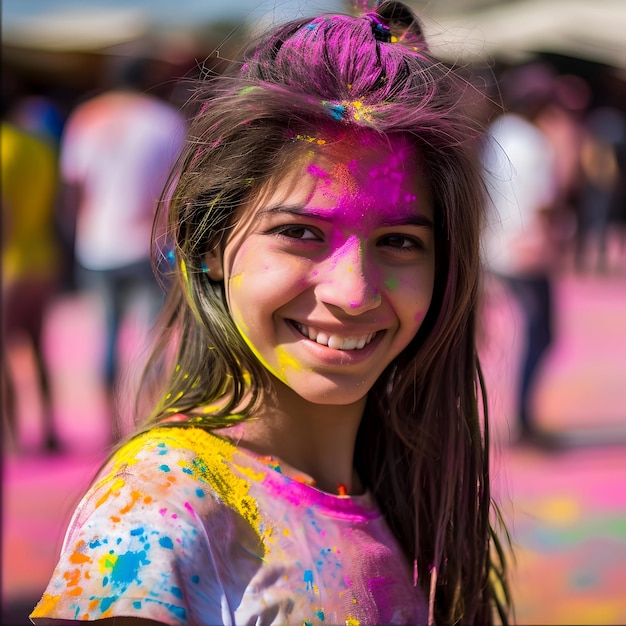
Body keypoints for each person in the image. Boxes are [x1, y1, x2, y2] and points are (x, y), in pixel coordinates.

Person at [30, 2, 511, 625]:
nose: (354, 292)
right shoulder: (160, 511)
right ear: (208, 246)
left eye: (399, 241)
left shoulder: (404, 500)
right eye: (300, 232)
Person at [58, 55, 186, 438]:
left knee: (107, 335)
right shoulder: (163, 120)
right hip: (147, 244)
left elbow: (74, 187)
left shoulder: (86, 118)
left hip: (96, 245)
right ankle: (150, 421)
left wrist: (75, 234)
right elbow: (174, 193)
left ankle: (110, 426)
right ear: (147, 78)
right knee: (152, 338)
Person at [481, 64, 560, 446]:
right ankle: (526, 420)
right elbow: (543, 202)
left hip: (498, 246)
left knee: (531, 331)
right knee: (542, 333)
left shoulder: (500, 133)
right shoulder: (533, 141)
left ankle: (524, 416)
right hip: (527, 249)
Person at [2, 120, 62, 452]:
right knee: (38, 349)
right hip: (42, 257)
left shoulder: (4, 147)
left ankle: (12, 439)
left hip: (9, 264)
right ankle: (50, 429)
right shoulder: (38, 145)